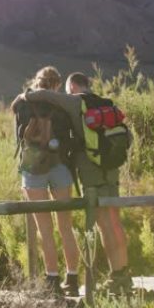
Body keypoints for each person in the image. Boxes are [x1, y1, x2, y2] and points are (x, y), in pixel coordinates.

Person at [23, 72, 132, 295]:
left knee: (103, 222)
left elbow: (43, 94)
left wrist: (22, 96)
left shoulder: (75, 100)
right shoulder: (106, 103)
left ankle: (115, 277)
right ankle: (123, 275)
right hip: (112, 168)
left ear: (72, 86)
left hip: (91, 168)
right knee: (115, 221)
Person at [11, 66, 80, 297]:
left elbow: (19, 138)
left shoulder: (21, 102)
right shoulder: (62, 102)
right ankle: (72, 277)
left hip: (33, 168)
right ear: (57, 84)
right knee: (66, 227)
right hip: (60, 165)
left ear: (37, 81)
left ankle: (52, 279)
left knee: (45, 229)